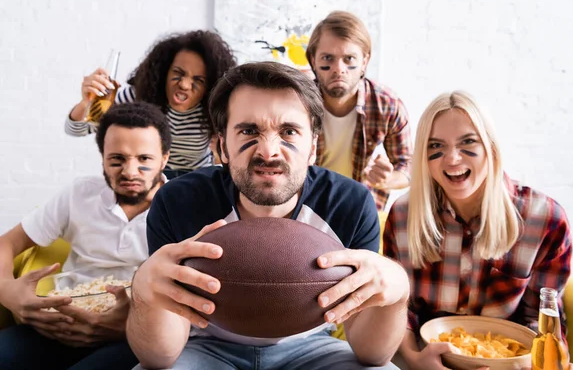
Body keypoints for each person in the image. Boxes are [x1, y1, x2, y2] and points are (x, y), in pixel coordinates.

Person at [126, 62, 411, 370]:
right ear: (222, 144)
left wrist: (397, 294)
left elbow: (371, 355)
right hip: (206, 346)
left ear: (313, 146)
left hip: (313, 347)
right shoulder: (178, 202)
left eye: (288, 131)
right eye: (249, 130)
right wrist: (142, 292)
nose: (269, 151)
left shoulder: (349, 204)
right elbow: (158, 357)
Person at [383, 91, 573, 370]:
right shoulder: (403, 215)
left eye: (468, 143)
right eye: (436, 145)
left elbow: (540, 321)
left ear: (491, 147)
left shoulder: (546, 219)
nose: (452, 159)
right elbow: (400, 308)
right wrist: (415, 360)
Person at [0, 103, 171, 370]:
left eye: (144, 160)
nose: (129, 171)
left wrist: (133, 323)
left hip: (132, 335)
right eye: (117, 159)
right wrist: (6, 290)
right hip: (61, 324)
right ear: (102, 157)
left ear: (164, 159)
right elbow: (7, 243)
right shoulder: (80, 194)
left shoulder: (180, 207)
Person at [65, 30, 236, 178]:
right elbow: (76, 130)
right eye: (178, 73)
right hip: (150, 181)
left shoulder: (216, 108)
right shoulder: (138, 97)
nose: (184, 84)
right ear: (164, 71)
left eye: (198, 80)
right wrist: (87, 102)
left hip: (197, 179)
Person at [306, 11, 413, 211]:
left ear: (364, 61)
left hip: (359, 209)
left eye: (349, 59)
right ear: (313, 60)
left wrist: (387, 179)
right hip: (307, 208)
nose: (339, 69)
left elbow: (409, 165)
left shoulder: (387, 105)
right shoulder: (297, 103)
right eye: (328, 58)